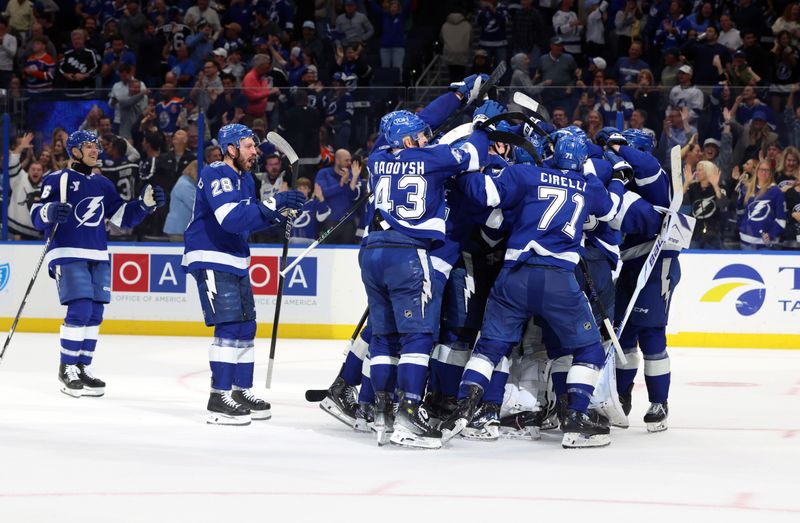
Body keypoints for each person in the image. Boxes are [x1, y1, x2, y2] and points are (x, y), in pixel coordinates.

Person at [443, 127, 625, 448]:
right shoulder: (587, 184)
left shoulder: (527, 174)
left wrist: (457, 173)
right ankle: (575, 419)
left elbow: (484, 193)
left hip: (514, 275)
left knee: (490, 348)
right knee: (589, 350)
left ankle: (465, 405)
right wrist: (613, 176)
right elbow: (612, 211)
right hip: (559, 279)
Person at [362, 94, 495, 449]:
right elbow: (472, 156)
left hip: (372, 250)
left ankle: (382, 413)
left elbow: (401, 133)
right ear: (408, 141)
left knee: (383, 336)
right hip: (409, 252)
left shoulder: (376, 159)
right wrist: (481, 126)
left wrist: (454, 97)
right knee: (418, 336)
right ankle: (409, 413)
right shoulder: (432, 159)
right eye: (420, 134)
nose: (428, 137)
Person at [182, 124, 305, 425]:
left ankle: (239, 391)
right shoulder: (215, 173)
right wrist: (274, 203)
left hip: (235, 258)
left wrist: (278, 216)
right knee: (228, 326)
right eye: (249, 146)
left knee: (246, 327)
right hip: (211, 256)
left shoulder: (246, 179)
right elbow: (229, 218)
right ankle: (218, 397)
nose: (255, 151)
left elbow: (248, 222)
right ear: (231, 149)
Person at [30, 130, 165, 397]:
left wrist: (144, 206)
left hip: (98, 253)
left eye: (96, 146)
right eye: (88, 146)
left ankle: (82, 366)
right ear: (75, 151)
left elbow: (122, 218)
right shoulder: (57, 179)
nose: (95, 150)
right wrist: (49, 211)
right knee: (79, 309)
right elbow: (37, 213)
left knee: (94, 313)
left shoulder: (103, 184)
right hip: (67, 252)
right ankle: (66, 367)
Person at [315, 149, 361, 244]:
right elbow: (322, 193)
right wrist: (341, 184)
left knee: (347, 254)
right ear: (337, 160)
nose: (349, 163)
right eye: (346, 160)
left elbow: (354, 197)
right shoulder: (323, 173)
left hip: (348, 222)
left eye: (350, 160)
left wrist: (353, 179)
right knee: (327, 253)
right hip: (329, 221)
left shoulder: (353, 174)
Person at [737, 160, 786, 249]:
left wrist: (771, 234)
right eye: (761, 169)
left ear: (771, 173)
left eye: (767, 170)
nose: (764, 172)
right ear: (757, 171)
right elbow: (739, 211)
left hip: (763, 245)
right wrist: (742, 228)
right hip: (745, 242)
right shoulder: (747, 188)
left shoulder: (776, 191)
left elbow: (781, 220)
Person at [684, 160, 726, 249]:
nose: (696, 172)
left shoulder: (719, 188)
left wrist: (715, 186)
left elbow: (723, 205)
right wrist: (687, 183)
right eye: (696, 170)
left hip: (713, 234)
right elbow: (680, 201)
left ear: (708, 171)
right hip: (694, 233)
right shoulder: (693, 187)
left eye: (700, 170)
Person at [289, 177, 331, 245]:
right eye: (300, 188)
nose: (302, 191)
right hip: (292, 241)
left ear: (309, 190)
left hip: (310, 241)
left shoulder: (314, 203)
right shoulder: (290, 205)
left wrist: (321, 198)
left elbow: (322, 218)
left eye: (305, 188)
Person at [164, 160, 197, 241]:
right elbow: (195, 205)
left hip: (182, 229)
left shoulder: (189, 183)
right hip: (179, 230)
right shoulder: (185, 185)